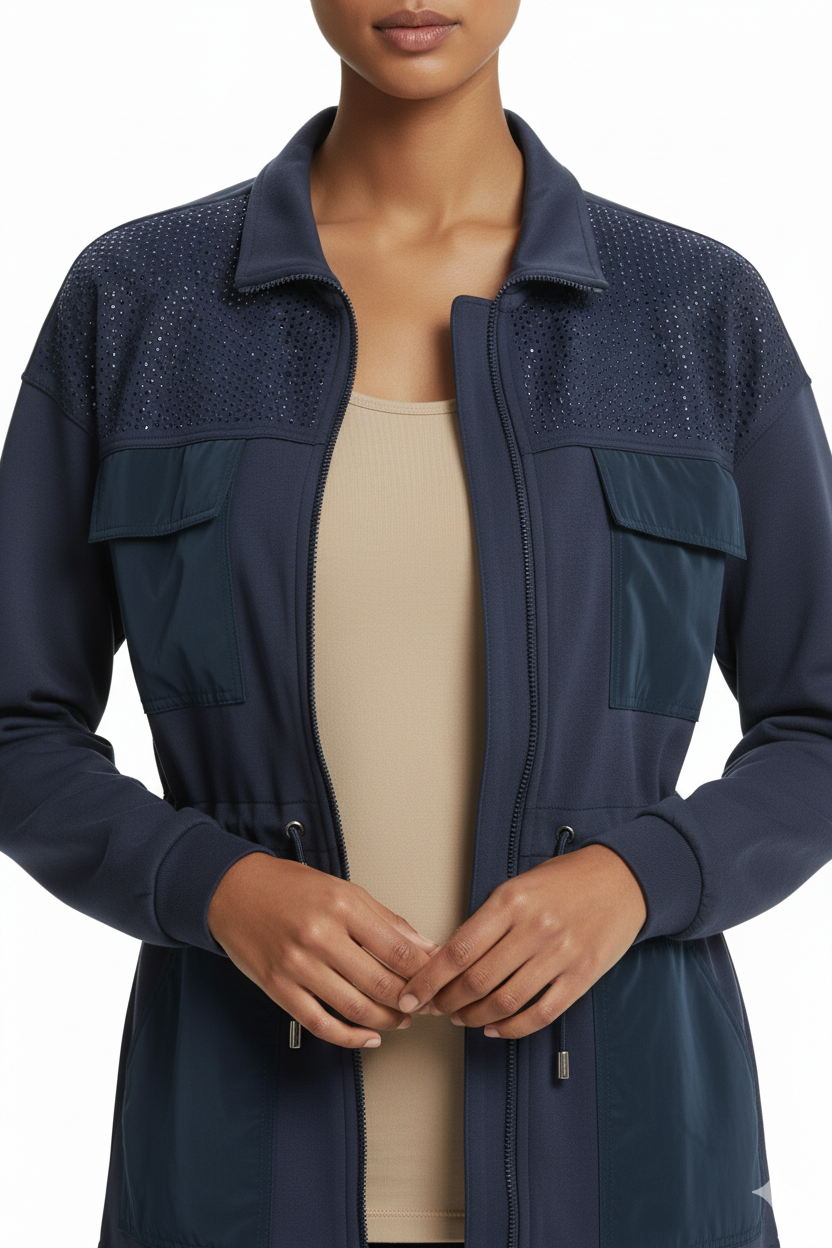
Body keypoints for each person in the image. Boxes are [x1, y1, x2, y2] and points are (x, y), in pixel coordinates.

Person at [0, 2, 830, 1246]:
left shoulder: (692, 313)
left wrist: (635, 877)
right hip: (230, 1178)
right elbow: (17, 724)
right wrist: (213, 886)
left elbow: (817, 725)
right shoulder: (139, 303)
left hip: (629, 1171)